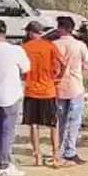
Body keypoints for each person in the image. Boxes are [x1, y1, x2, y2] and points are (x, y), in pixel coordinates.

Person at [0, 20, 31, 176]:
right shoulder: (15, 50)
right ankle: (5, 164)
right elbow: (26, 68)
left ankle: (0, 157)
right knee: (8, 130)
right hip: (12, 93)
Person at [22, 21, 64, 166]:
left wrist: (25, 77)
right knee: (53, 124)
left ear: (29, 32)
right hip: (48, 89)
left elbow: (21, 68)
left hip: (31, 90)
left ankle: (38, 156)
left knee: (34, 124)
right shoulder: (50, 46)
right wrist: (58, 77)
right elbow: (62, 63)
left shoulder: (25, 47)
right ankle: (55, 154)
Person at [54, 16, 88, 165]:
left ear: (60, 28)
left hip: (58, 87)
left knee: (61, 120)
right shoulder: (79, 45)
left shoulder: (54, 45)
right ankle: (70, 150)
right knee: (74, 121)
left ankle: (60, 148)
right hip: (76, 86)